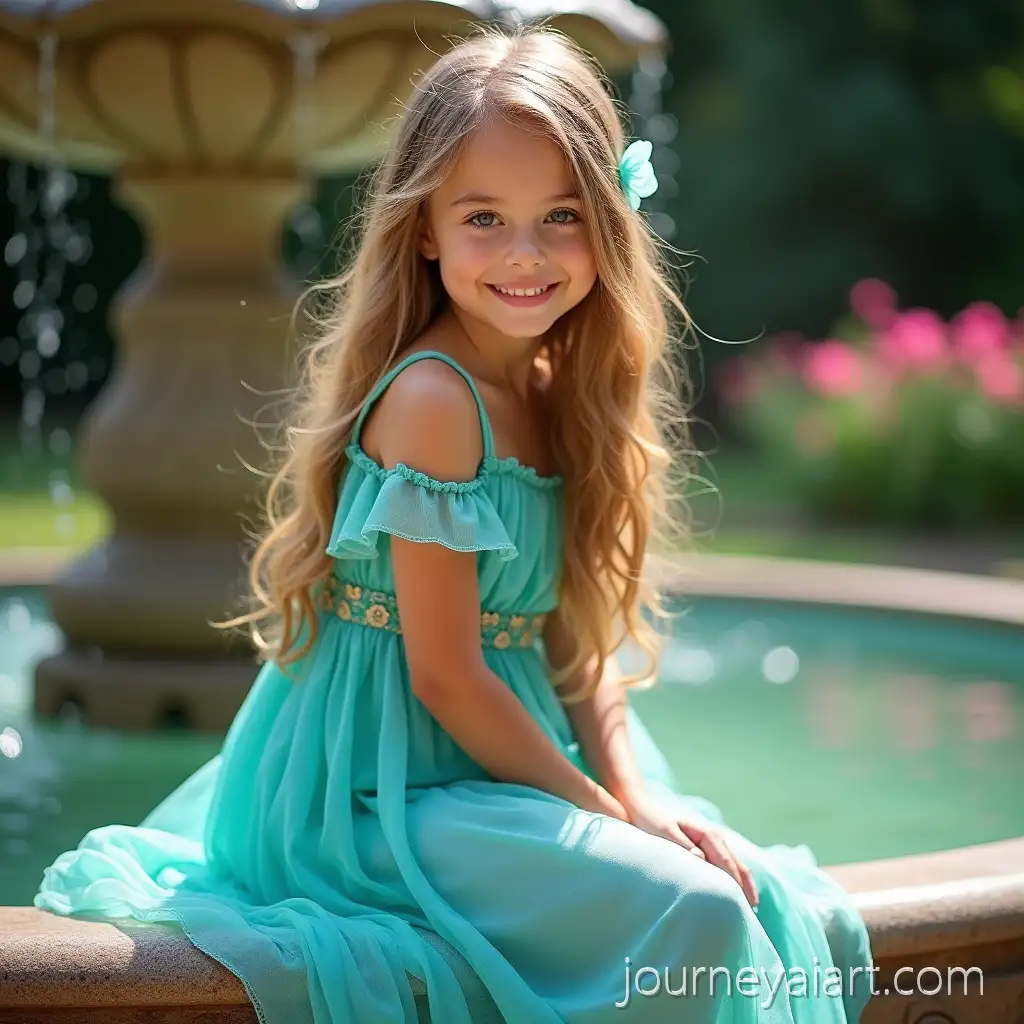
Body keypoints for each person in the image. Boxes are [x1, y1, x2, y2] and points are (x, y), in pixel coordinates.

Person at [34, 25, 873, 1024]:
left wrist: (631, 793)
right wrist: (601, 814)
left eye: (560, 216)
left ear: (607, 219)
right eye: (486, 218)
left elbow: (576, 633)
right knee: (690, 915)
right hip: (387, 788)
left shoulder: (562, 380)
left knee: (765, 897)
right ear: (425, 227)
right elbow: (444, 675)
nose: (526, 256)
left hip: (506, 759)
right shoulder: (434, 399)